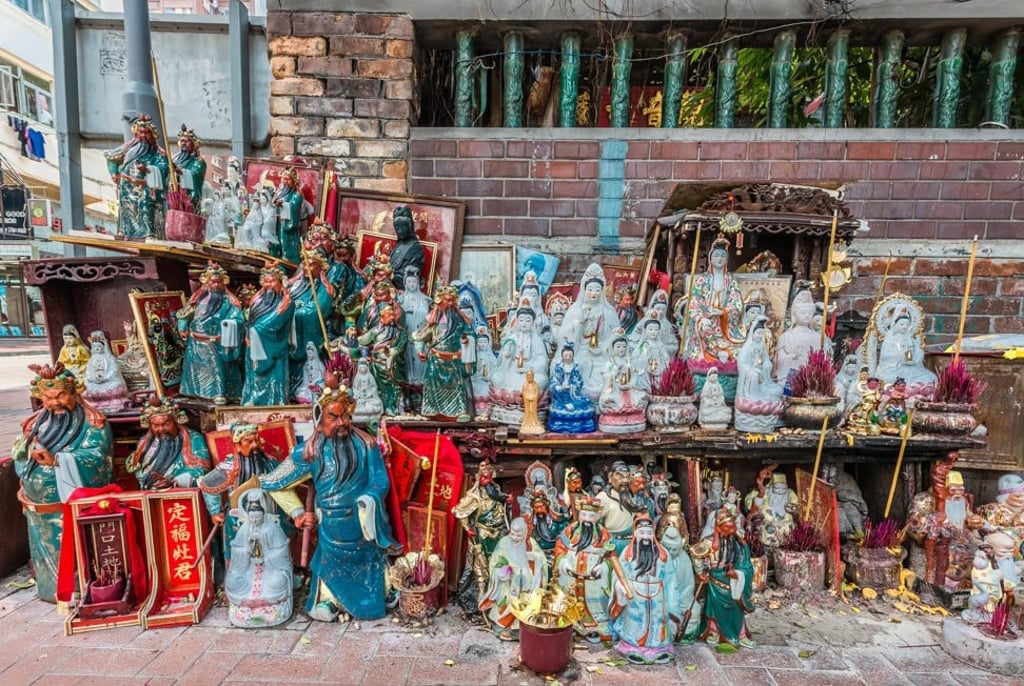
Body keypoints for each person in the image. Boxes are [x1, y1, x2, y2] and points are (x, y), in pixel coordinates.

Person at [262, 379, 398, 621]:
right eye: (333, 417)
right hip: (331, 529)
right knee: (330, 567)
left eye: (345, 416)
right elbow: (273, 483)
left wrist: (370, 498)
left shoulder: (366, 445)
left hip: (363, 524)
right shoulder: (309, 452)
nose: (341, 423)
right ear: (320, 419)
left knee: (372, 560)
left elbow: (380, 480)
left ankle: (383, 590)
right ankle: (329, 599)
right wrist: (297, 512)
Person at [11, 363, 113, 602]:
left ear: (74, 394)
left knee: (79, 555)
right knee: (46, 554)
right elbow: (20, 453)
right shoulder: (35, 424)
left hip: (73, 504)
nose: (54, 403)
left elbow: (98, 457)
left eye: (60, 396)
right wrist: (25, 455)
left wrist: (58, 461)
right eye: (47, 398)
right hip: (39, 509)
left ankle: (83, 589)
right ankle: (50, 589)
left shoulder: (93, 423)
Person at [197, 424, 280, 561]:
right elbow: (207, 485)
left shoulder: (270, 463)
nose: (255, 445)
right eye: (248, 441)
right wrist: (215, 512)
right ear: (237, 445)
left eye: (257, 440)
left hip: (269, 513)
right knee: (240, 555)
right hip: (239, 516)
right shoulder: (228, 467)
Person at [609, 513, 678, 664]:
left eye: (649, 533)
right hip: (635, 598)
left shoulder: (663, 555)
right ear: (635, 533)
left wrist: (673, 606)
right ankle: (632, 647)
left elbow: (671, 580)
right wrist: (620, 588)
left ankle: (660, 649)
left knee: (658, 624)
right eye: (642, 533)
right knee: (635, 622)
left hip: (658, 598)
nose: (646, 537)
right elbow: (617, 575)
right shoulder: (627, 554)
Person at [224, 489, 294, 628]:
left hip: (271, 570)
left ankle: (273, 610)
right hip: (248, 569)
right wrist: (247, 550)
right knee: (232, 582)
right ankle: (244, 611)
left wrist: (266, 555)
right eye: (252, 517)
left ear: (264, 514)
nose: (254, 520)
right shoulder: (244, 529)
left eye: (257, 517)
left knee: (278, 582)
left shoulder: (272, 528)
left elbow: (282, 552)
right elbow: (237, 550)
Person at [177, 261, 244, 405]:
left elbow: (238, 318)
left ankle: (221, 393)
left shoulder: (230, 301)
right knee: (195, 372)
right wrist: (182, 326)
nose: (216, 284)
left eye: (219, 281)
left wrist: (229, 324)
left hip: (219, 343)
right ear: (206, 282)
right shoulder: (197, 299)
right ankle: (192, 392)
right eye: (213, 281)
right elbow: (184, 314)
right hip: (197, 342)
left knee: (218, 369)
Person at [553, 496, 614, 641]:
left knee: (596, 602)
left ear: (597, 517)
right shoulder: (569, 531)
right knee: (569, 601)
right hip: (571, 578)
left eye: (591, 516)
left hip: (593, 582)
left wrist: (604, 567)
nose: (587, 519)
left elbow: (611, 557)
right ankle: (572, 626)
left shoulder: (604, 535)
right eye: (584, 515)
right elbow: (560, 548)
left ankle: (596, 628)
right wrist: (563, 562)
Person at [479, 517, 548, 639]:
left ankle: (521, 627)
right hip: (508, 582)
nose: (515, 538)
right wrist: (502, 572)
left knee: (525, 603)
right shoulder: (504, 543)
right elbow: (495, 562)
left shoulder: (531, 544)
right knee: (509, 601)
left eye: (519, 535)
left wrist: (535, 563)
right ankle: (502, 624)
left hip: (526, 583)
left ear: (525, 534)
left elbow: (540, 561)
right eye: (513, 534)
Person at [413, 285, 476, 421]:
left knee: (457, 386)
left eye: (452, 300)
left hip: (454, 360)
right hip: (436, 359)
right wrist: (420, 350)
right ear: (439, 300)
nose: (450, 303)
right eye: (447, 300)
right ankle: (431, 411)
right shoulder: (431, 319)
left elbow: (470, 333)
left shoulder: (460, 319)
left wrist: (467, 339)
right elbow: (420, 336)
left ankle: (459, 411)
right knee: (432, 386)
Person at [680, 234, 744, 365]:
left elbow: (737, 304)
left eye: (723, 256)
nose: (720, 258)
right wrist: (700, 318)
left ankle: (723, 354)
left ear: (727, 259)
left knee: (740, 349)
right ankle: (713, 355)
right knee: (704, 330)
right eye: (716, 256)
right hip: (707, 325)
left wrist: (723, 312)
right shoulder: (702, 280)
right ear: (710, 258)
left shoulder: (731, 281)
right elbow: (694, 305)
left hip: (725, 329)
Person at [695, 510, 755, 648]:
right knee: (714, 608)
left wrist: (739, 573)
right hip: (715, 580)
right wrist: (700, 572)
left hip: (733, 581)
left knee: (736, 607)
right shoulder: (708, 542)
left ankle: (740, 634)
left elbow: (746, 563)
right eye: (728, 527)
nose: (732, 530)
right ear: (718, 527)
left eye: (733, 527)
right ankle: (714, 631)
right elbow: (697, 555)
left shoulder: (738, 543)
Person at [104, 115, 168, 239]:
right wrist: (114, 173)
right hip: (127, 190)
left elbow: (164, 168)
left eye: (146, 133)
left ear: (152, 134)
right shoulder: (127, 149)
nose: (143, 135)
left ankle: (148, 232)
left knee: (146, 206)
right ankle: (125, 232)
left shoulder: (158, 153)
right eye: (140, 132)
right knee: (127, 211)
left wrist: (147, 170)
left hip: (146, 189)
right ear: (136, 133)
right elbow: (110, 157)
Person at [126, 396, 211, 490]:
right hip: (149, 492)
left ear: (176, 422)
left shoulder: (194, 438)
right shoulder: (144, 443)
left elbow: (202, 469)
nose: (161, 429)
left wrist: (175, 481)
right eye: (156, 426)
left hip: (180, 492)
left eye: (166, 424)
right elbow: (138, 471)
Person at [563, 263, 621, 399]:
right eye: (590, 289)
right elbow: (566, 336)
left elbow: (616, 336)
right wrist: (579, 323)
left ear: (602, 291)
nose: (593, 293)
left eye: (597, 290)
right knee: (580, 367)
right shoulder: (576, 310)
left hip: (602, 352)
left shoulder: (609, 312)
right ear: (584, 290)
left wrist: (603, 347)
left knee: (606, 370)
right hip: (581, 349)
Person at [242, 264, 295, 406]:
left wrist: (256, 331)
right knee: (254, 376)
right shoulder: (258, 299)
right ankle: (252, 398)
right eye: (266, 281)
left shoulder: (286, 303)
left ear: (280, 281)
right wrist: (248, 334)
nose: (269, 285)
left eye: (272, 281)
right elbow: (249, 319)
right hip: (253, 343)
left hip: (273, 344)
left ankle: (274, 401)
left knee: (273, 377)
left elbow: (274, 323)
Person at [490, 306, 550, 424]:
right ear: (517, 321)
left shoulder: (536, 340)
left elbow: (542, 358)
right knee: (496, 378)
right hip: (511, 369)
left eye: (528, 320)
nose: (524, 323)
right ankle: (510, 402)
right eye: (521, 320)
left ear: (532, 322)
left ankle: (525, 406)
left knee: (542, 380)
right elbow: (504, 356)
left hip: (529, 372)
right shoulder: (512, 338)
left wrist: (530, 368)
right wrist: (507, 355)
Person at [288, 249, 336, 396]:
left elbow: (317, 310)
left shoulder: (324, 288)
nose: (306, 267)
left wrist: (296, 312)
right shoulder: (296, 285)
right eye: (304, 263)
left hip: (308, 332)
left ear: (320, 267)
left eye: (311, 264)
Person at [733, 316, 784, 433]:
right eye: (758, 333)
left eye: (762, 333)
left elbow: (766, 361)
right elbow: (742, 363)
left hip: (763, 380)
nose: (760, 336)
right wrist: (751, 371)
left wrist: (766, 366)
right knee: (755, 376)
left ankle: (763, 400)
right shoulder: (747, 348)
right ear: (752, 333)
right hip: (751, 378)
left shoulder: (761, 347)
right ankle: (754, 398)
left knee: (778, 389)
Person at [872, 305, 937, 393]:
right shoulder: (890, 340)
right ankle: (908, 389)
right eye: (901, 324)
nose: (904, 327)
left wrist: (915, 356)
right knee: (890, 379)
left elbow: (918, 352)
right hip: (893, 369)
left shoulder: (910, 340)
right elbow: (885, 356)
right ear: (894, 324)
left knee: (931, 377)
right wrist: (901, 355)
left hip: (911, 368)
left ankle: (914, 389)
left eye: (907, 324)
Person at [357, 303, 407, 416]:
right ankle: (381, 408)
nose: (392, 317)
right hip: (377, 365)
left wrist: (392, 352)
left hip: (392, 365)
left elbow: (401, 345)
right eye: (389, 314)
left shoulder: (400, 332)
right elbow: (362, 341)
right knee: (377, 388)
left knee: (395, 388)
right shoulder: (374, 331)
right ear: (382, 315)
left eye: (393, 314)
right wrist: (365, 353)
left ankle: (396, 408)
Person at [598, 334, 650, 434]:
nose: (621, 349)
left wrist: (630, 383)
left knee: (642, 397)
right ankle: (616, 416)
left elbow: (634, 375)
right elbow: (606, 376)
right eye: (618, 347)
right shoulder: (611, 362)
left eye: (624, 347)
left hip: (629, 388)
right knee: (607, 400)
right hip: (614, 390)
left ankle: (633, 416)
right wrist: (614, 373)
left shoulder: (628, 361)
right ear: (613, 348)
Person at [775, 284, 827, 384]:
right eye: (803, 312)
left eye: (809, 313)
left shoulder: (817, 337)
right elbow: (779, 360)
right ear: (794, 314)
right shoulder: (787, 336)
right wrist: (793, 356)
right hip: (791, 376)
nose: (807, 316)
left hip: (811, 377)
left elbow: (823, 359)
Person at [547, 343, 597, 434]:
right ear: (562, 356)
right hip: (561, 394)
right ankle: (564, 404)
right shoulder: (558, 367)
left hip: (573, 394)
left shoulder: (576, 367)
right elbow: (553, 381)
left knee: (587, 401)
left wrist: (571, 386)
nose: (568, 357)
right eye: (566, 355)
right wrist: (559, 387)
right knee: (557, 402)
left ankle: (572, 405)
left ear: (573, 356)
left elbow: (579, 381)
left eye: (570, 355)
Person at [397, 268, 432, 386]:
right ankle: (409, 376)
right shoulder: (402, 298)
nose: (412, 284)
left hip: (418, 329)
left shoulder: (423, 298)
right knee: (407, 352)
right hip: (407, 328)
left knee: (419, 352)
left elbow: (425, 313)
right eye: (409, 282)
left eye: (414, 282)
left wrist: (414, 310)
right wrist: (404, 310)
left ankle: (419, 377)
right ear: (405, 284)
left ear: (417, 283)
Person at [82, 330, 130, 413]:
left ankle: (114, 401)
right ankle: (95, 402)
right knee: (87, 387)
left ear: (103, 347)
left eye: (99, 346)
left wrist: (106, 377)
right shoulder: (91, 360)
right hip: (95, 382)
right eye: (95, 347)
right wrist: (93, 378)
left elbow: (114, 370)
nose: (97, 348)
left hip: (108, 381)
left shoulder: (110, 358)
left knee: (116, 386)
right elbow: (88, 372)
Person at [273, 167, 306, 263]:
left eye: (288, 179)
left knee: (286, 242)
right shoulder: (280, 192)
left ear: (293, 181)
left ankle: (289, 259)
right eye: (283, 179)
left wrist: (283, 205)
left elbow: (294, 207)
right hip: (277, 223)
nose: (285, 182)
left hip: (287, 224)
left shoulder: (297, 193)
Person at [389, 206, 425, 290]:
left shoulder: (416, 250)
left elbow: (409, 277)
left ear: (410, 227)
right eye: (397, 227)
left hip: (402, 290)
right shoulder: (397, 245)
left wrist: (387, 275)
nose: (399, 231)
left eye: (403, 227)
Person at [172, 124, 207, 208]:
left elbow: (195, 174)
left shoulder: (198, 161)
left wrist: (180, 172)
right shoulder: (175, 159)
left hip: (189, 198)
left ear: (194, 144)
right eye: (182, 141)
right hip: (175, 197)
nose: (184, 143)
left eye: (187, 141)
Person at [350, 357, 384, 424]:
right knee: (356, 405)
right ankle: (367, 414)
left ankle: (369, 414)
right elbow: (355, 388)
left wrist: (370, 394)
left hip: (370, 398)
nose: (362, 368)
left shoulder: (370, 376)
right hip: (360, 398)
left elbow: (374, 387)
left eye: (364, 366)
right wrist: (358, 394)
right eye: (361, 367)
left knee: (377, 402)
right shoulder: (357, 377)